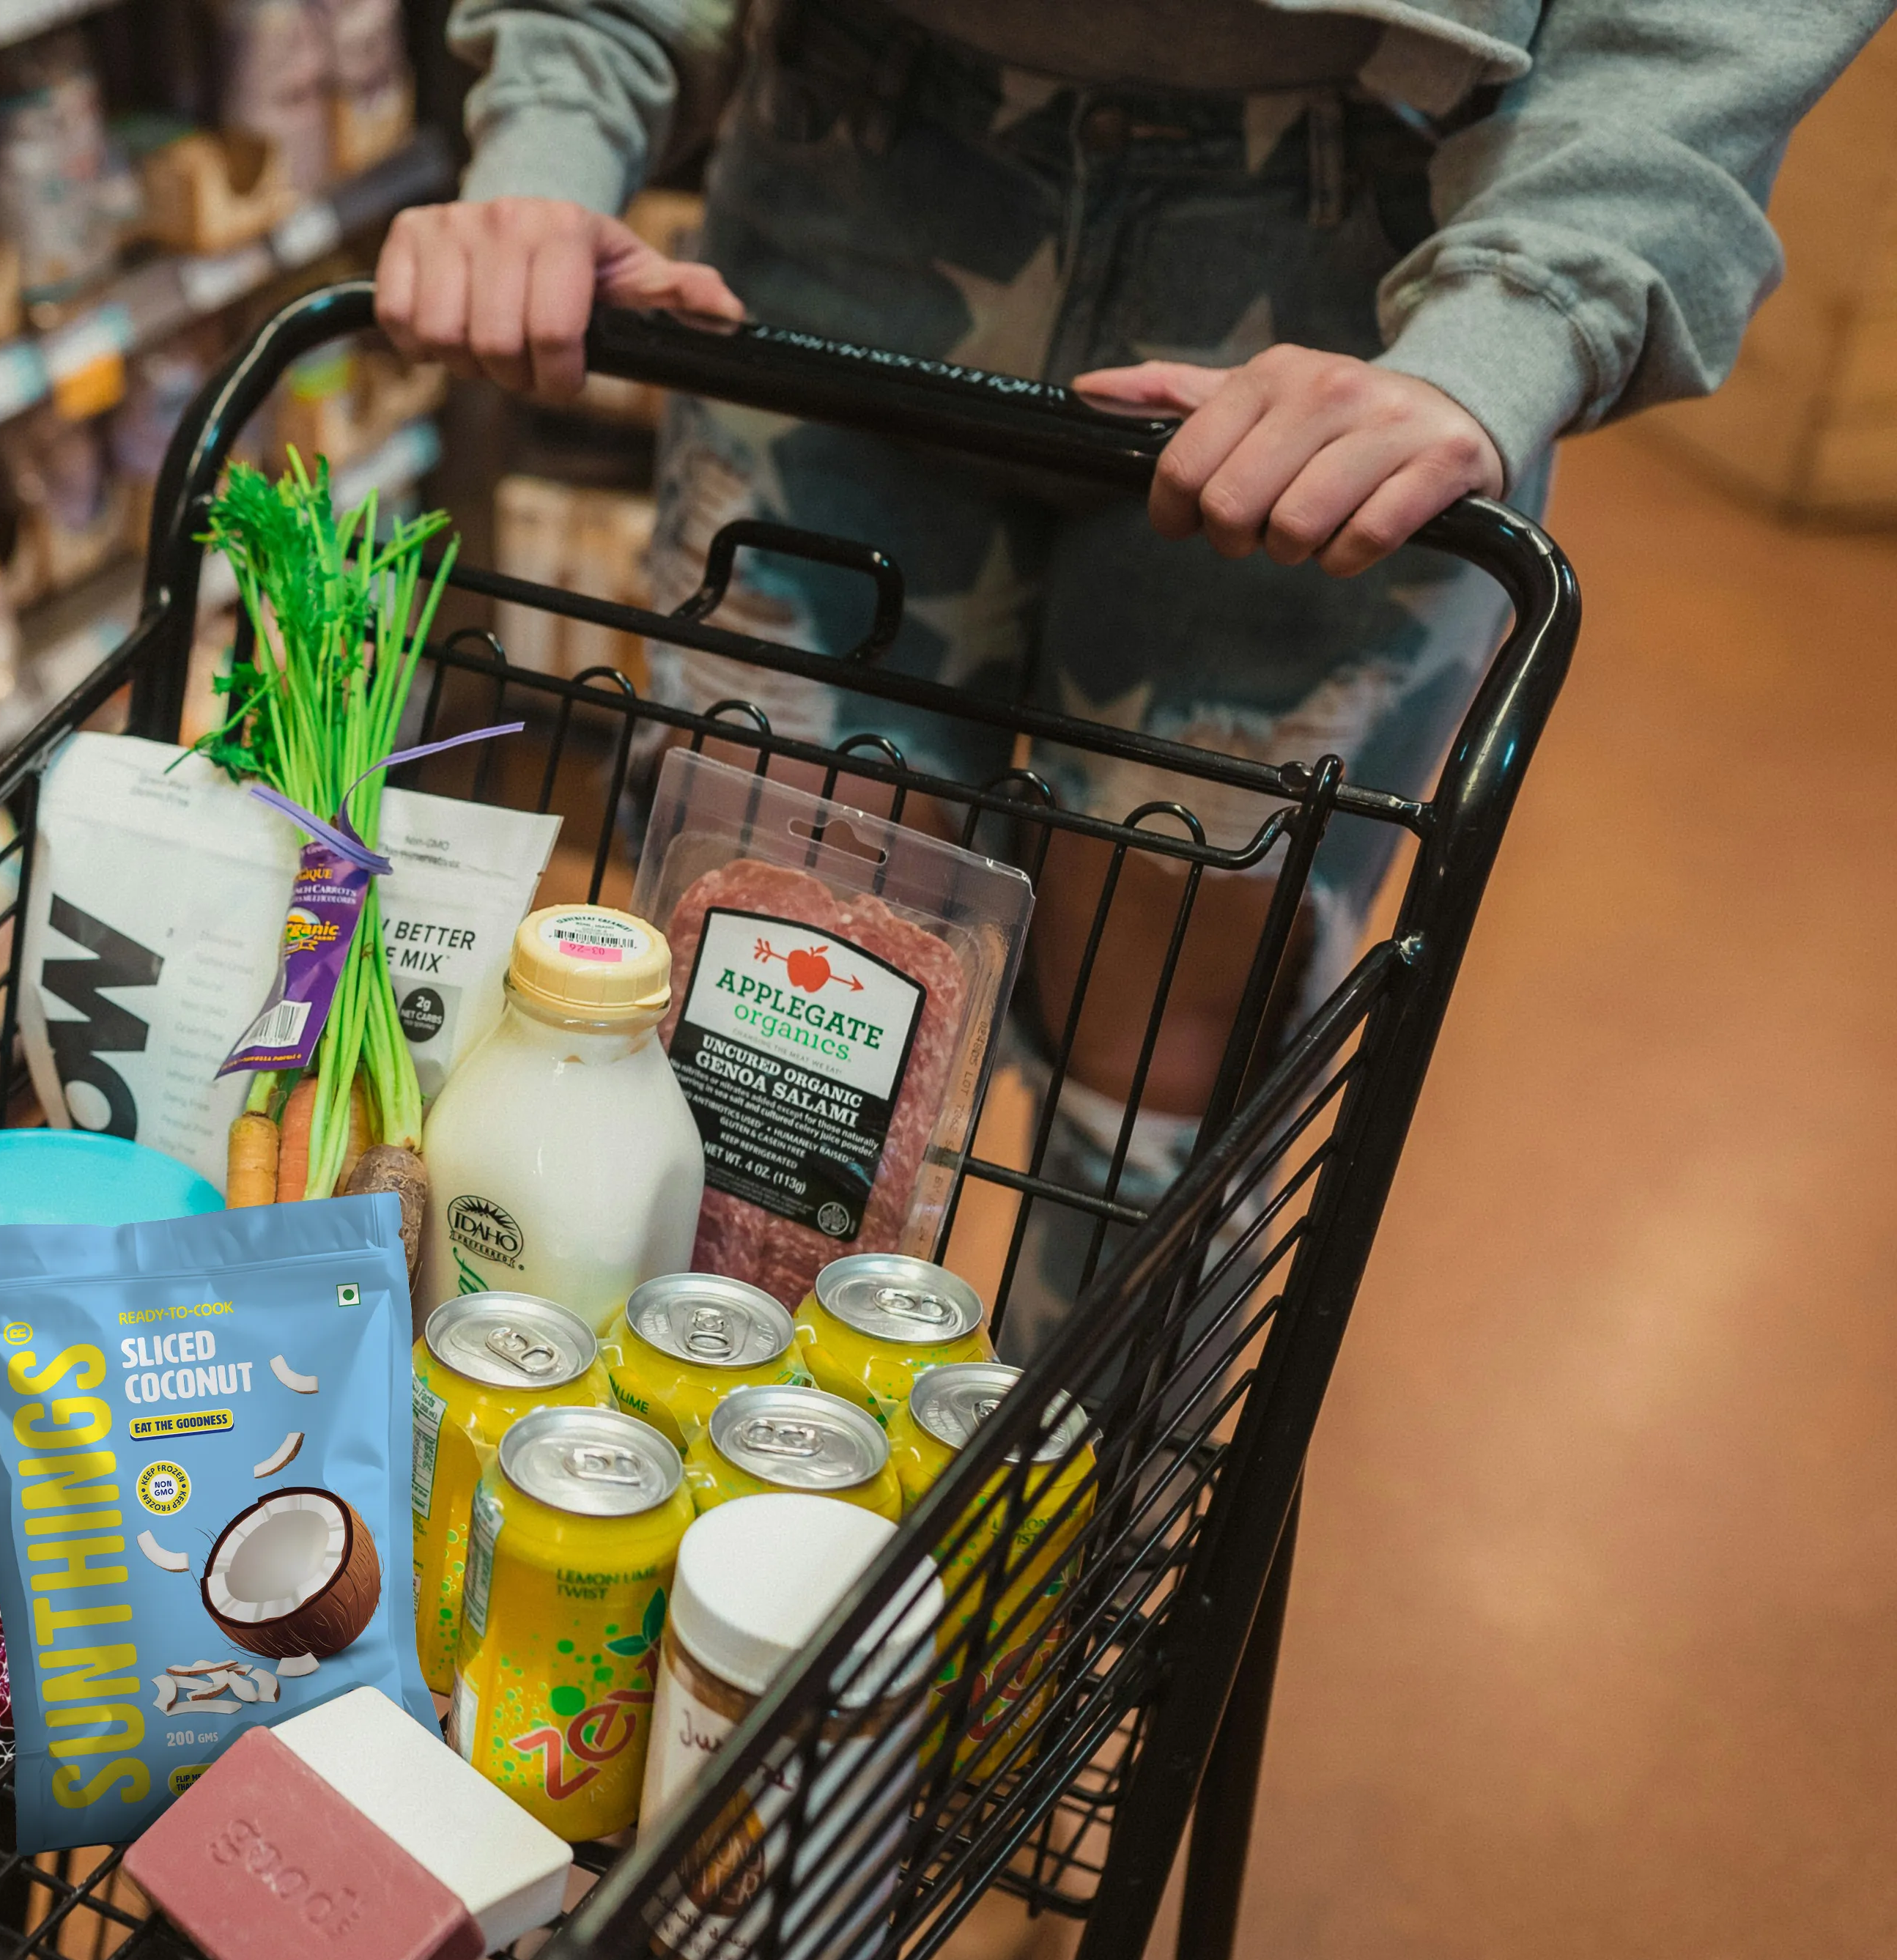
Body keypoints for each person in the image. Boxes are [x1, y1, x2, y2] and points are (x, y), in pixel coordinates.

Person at [381, 0, 1890, 1347]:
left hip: (1374, 268)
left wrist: (1518, 317)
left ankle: (1035, 1584)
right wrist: (553, 112)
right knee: (772, 1013)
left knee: (1162, 1077)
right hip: (842, 162)